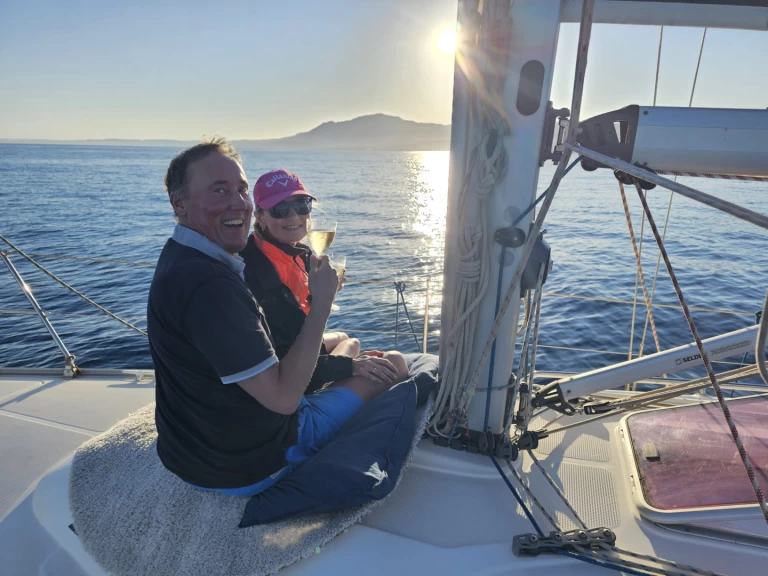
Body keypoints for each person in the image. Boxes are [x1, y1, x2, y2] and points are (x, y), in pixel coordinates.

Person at [147, 138, 402, 497]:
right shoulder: (211, 287)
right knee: (396, 364)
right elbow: (284, 398)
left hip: (191, 454)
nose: (237, 202)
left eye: (241, 189)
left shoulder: (181, 257)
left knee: (350, 344)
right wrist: (324, 304)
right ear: (180, 203)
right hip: (248, 466)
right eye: (219, 190)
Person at [240, 168, 409, 394]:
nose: (294, 216)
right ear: (259, 216)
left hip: (298, 351)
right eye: (280, 210)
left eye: (302, 205)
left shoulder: (289, 253)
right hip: (293, 384)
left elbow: (294, 316)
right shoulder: (261, 276)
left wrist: (319, 294)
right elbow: (282, 363)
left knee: (347, 339)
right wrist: (351, 366)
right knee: (395, 362)